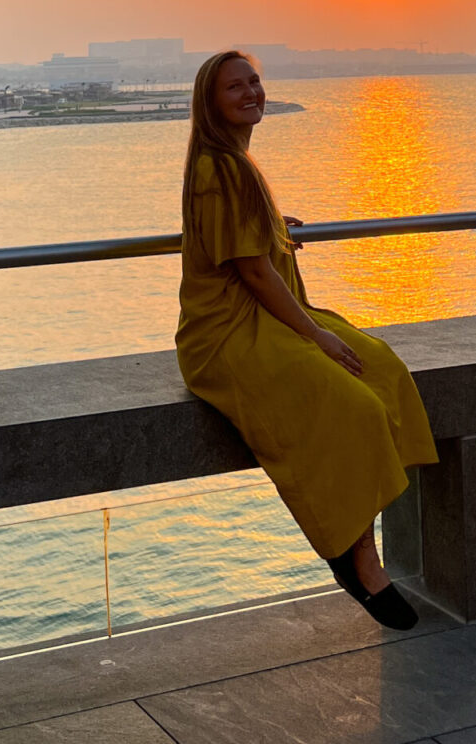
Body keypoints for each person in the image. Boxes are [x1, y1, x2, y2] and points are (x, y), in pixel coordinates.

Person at [175, 49, 438, 629]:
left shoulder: (237, 165)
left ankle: (357, 537)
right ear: (211, 103)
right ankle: (356, 556)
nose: (251, 93)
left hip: (262, 318)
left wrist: (272, 225)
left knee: (382, 368)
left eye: (255, 81)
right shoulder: (218, 168)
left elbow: (247, 243)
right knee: (354, 405)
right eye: (234, 88)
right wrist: (315, 334)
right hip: (226, 335)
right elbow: (252, 272)